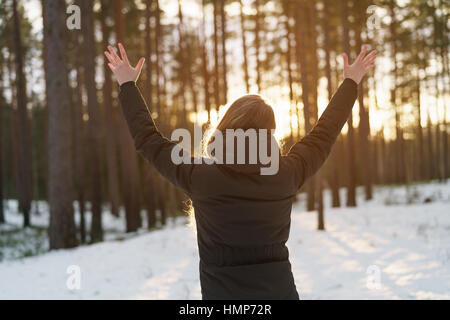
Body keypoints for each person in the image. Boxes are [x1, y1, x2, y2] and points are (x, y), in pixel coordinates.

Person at [104, 43, 376, 300]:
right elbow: (324, 134)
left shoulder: (201, 176)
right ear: (270, 132)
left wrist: (128, 85)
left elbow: (148, 140)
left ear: (226, 126)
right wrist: (350, 83)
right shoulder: (285, 174)